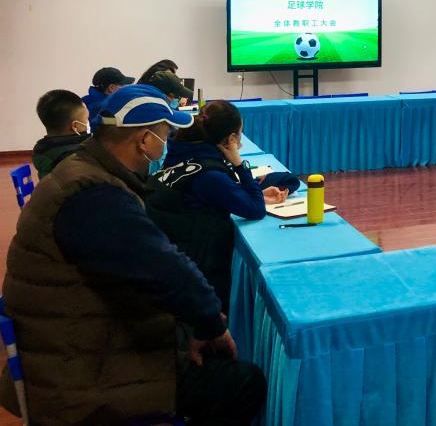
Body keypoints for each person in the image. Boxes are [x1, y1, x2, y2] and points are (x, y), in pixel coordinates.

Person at [0, 84, 266, 425]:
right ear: (145, 141)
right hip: (78, 372)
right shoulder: (96, 197)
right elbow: (167, 271)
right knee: (242, 382)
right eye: (165, 134)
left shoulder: (82, 172)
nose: (168, 141)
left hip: (70, 342)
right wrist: (211, 325)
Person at [146, 100, 288, 312]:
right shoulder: (210, 175)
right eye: (239, 136)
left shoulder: (180, 152)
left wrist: (249, 193)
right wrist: (239, 164)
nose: (240, 143)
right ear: (230, 139)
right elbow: (255, 210)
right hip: (199, 273)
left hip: (172, 259)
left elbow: (209, 194)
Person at [31, 89, 90, 179]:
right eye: (86, 119)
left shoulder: (42, 149)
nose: (88, 122)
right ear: (75, 126)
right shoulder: (76, 156)